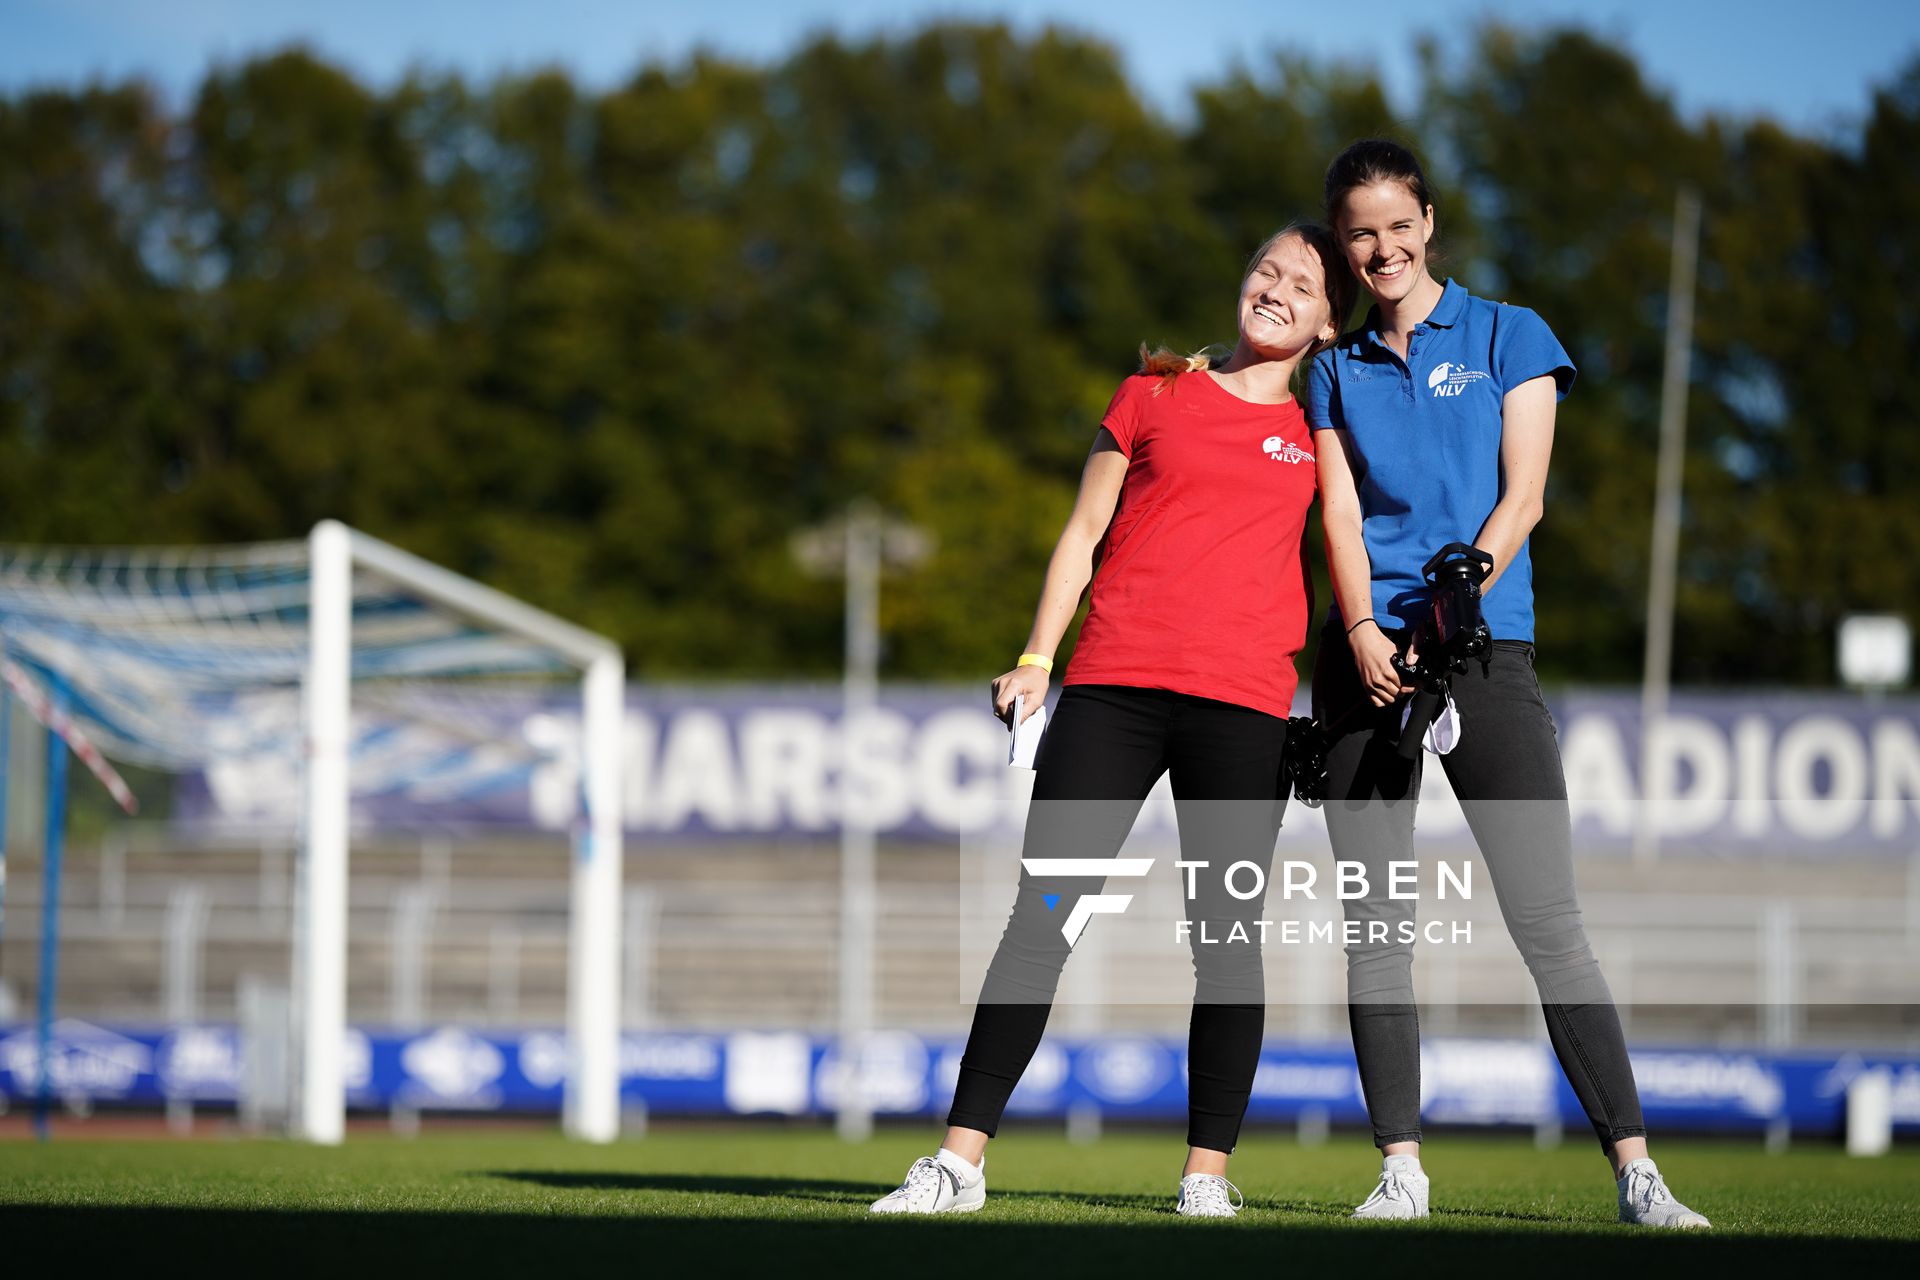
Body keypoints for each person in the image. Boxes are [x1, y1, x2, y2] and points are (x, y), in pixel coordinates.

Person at [871, 223, 1354, 1218]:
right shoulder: (1154, 392)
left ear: (1326, 321)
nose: (1275, 288)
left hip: (1245, 705)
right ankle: (957, 1163)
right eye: (1266, 267)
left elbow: (1354, 550)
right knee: (1043, 916)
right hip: (1114, 687)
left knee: (1225, 940)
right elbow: (1082, 533)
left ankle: (1205, 1179)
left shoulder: (1325, 429)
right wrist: (1037, 657)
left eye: (1301, 284)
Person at [1307, 138, 1709, 1229]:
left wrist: (1460, 595)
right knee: (1377, 926)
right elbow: (1339, 511)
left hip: (1483, 653)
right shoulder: (1333, 364)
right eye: (1359, 231)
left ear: (1428, 221)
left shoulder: (1507, 335)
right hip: (1364, 665)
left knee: (1548, 920)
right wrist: (1358, 629)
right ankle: (1401, 1170)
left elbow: (1524, 495)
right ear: (1341, 245)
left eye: (1397, 224)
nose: (1381, 247)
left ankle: (1638, 1172)